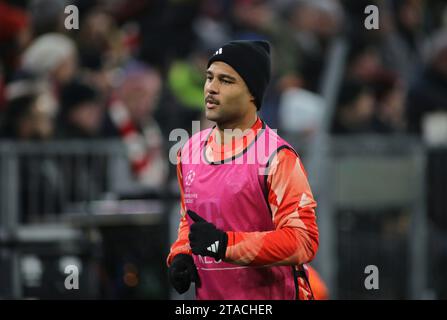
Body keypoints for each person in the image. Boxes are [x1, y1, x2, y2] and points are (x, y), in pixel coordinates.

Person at [167, 40, 319, 300]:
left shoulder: (277, 157)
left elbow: (302, 240)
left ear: (252, 94)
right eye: (209, 77)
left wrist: (226, 245)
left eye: (226, 81)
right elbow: (190, 218)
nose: (211, 89)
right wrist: (181, 253)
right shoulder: (189, 151)